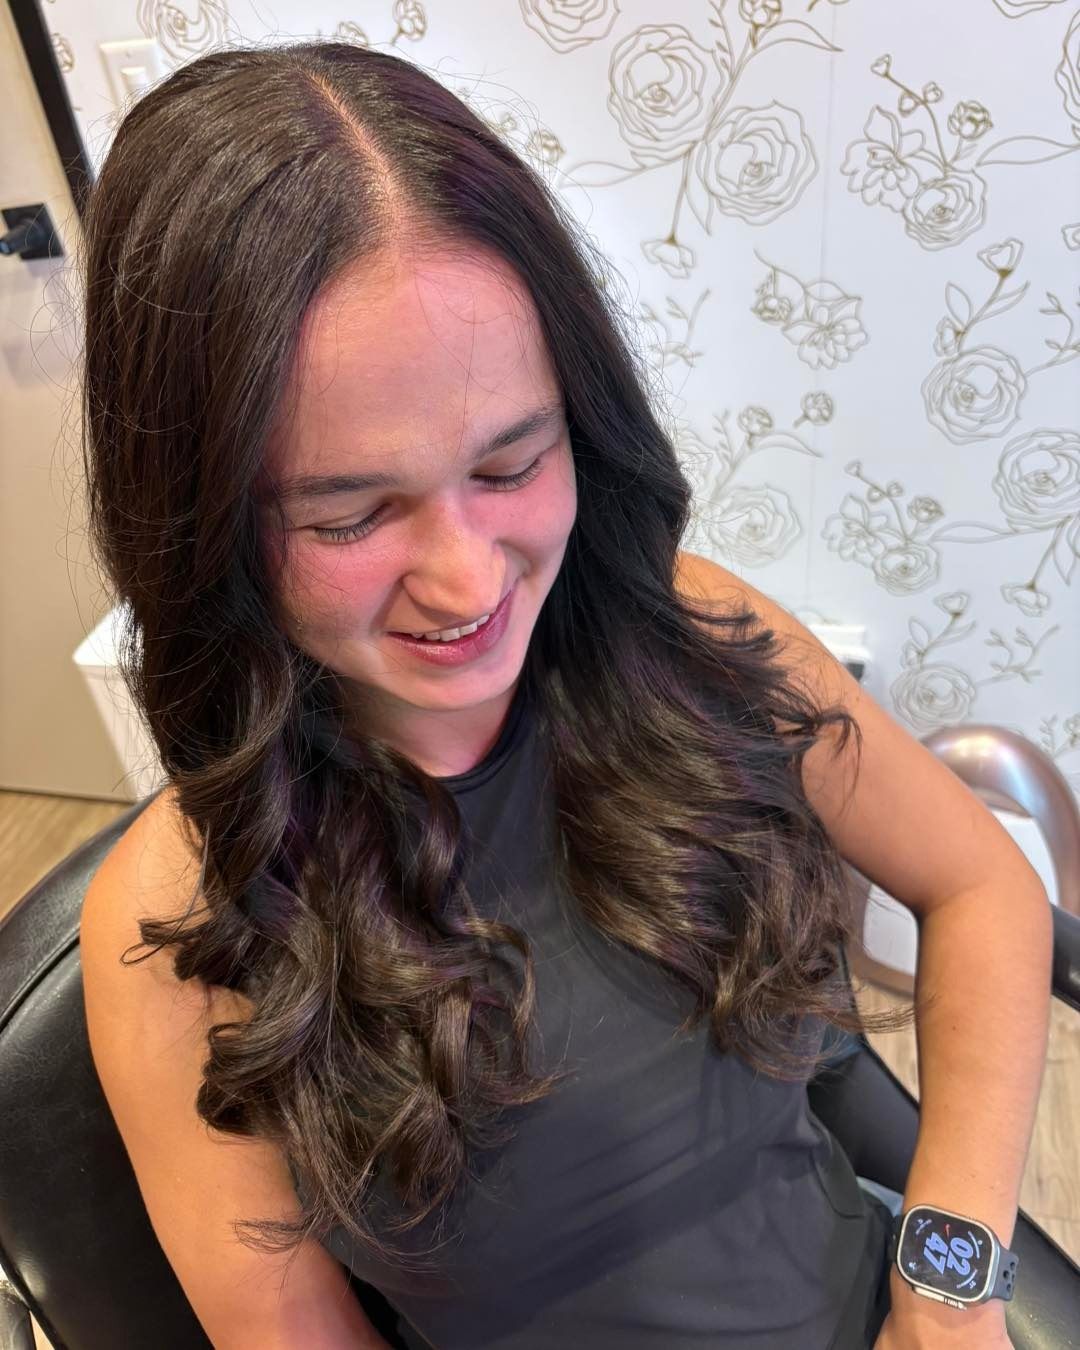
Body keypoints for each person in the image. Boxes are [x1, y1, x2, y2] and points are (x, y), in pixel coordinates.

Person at [76, 39, 947, 1350]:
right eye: (353, 510)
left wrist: (949, 1282)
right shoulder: (172, 923)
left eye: (510, 461)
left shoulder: (694, 632)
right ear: (203, 527)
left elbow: (984, 888)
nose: (468, 577)